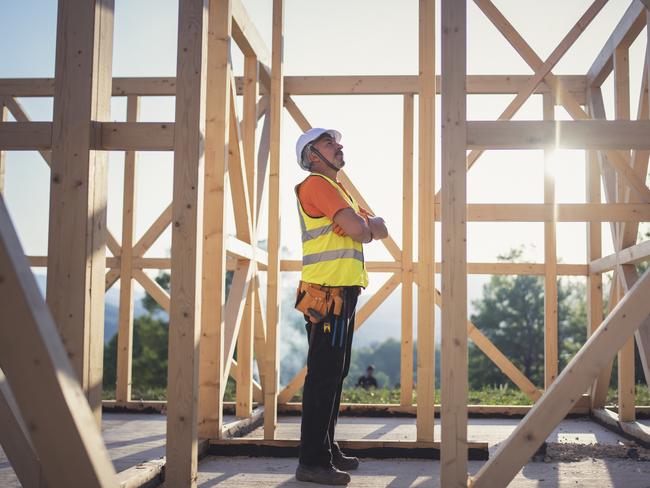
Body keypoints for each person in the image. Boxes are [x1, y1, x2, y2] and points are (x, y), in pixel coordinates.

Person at [293, 128, 388, 485]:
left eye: (337, 141)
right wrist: (361, 225)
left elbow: (380, 228)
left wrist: (361, 226)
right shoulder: (316, 184)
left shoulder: (338, 190)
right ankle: (312, 462)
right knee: (323, 375)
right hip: (327, 292)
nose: (339, 146)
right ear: (312, 155)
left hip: (341, 292)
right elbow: (363, 228)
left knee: (336, 371)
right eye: (329, 143)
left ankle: (324, 448)